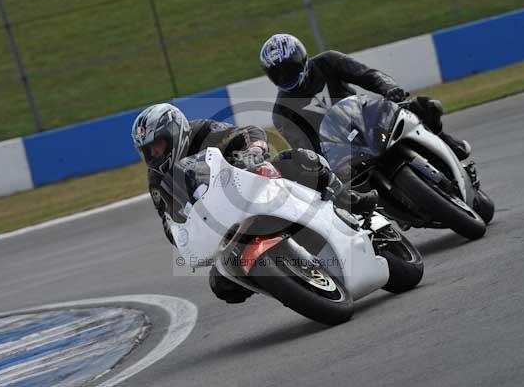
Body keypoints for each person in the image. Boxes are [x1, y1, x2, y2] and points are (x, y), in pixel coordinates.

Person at [131, 103, 378, 304]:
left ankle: (349, 200)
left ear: (175, 133)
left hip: (250, 183)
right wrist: (180, 235)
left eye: (158, 145)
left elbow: (248, 133)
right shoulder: (157, 180)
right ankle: (284, 280)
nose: (154, 155)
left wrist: (252, 150)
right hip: (224, 224)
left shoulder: (202, 131)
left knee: (299, 160)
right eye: (147, 151)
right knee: (222, 285)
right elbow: (170, 221)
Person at [260, 33, 471, 160]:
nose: (284, 75)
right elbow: (303, 147)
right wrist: (314, 160)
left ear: (301, 57)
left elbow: (368, 75)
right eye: (277, 73)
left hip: (367, 118)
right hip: (340, 153)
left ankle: (447, 142)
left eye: (289, 68)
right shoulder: (282, 111)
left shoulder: (328, 61)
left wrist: (390, 88)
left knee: (422, 106)